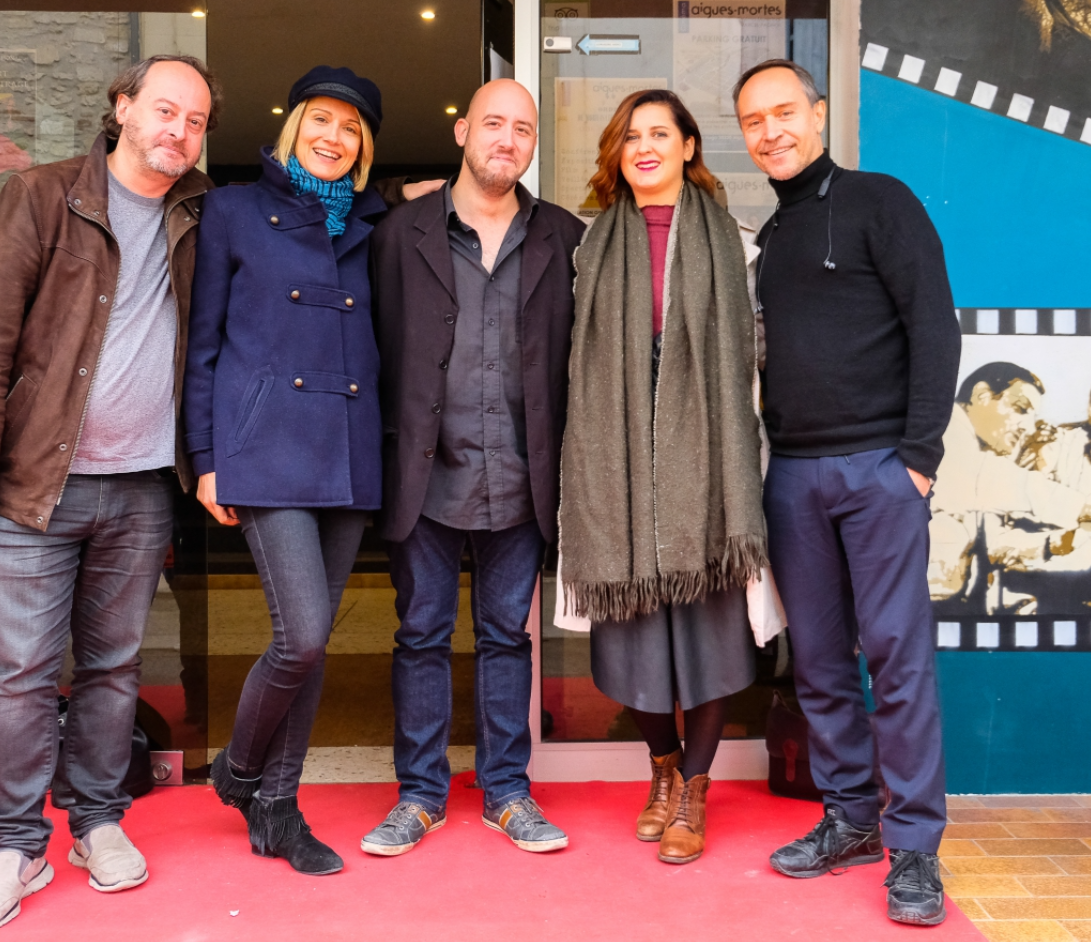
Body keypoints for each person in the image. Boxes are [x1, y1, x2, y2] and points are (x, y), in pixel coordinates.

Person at [0, 55, 220, 930]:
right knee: (21, 676)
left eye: (196, 120)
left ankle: (98, 821)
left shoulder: (201, 211)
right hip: (31, 490)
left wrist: (403, 196)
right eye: (164, 109)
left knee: (113, 667)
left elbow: (299, 217)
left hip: (139, 489)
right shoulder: (42, 196)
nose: (178, 130)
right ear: (122, 107)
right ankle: (17, 846)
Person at [734, 59, 962, 926]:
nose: (771, 132)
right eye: (753, 121)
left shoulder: (879, 201)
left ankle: (915, 849)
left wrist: (918, 457)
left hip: (878, 471)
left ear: (818, 114)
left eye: (783, 112)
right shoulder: (769, 239)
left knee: (896, 661)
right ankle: (850, 820)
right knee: (821, 664)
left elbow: (933, 326)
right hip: (792, 475)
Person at [361, 79, 585, 856]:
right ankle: (419, 794)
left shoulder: (563, 236)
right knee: (420, 634)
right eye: (493, 123)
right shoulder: (399, 232)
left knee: (505, 638)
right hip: (423, 473)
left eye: (521, 129)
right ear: (462, 131)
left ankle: (507, 793)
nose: (506, 140)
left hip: (522, 475)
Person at [185, 66, 388, 877]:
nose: (333, 137)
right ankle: (239, 770)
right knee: (299, 634)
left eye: (351, 127)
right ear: (294, 124)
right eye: (321, 120)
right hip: (265, 447)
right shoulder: (232, 210)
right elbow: (201, 345)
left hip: (349, 448)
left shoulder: (373, 222)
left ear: (364, 147)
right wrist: (205, 460)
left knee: (312, 644)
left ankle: (276, 807)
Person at [557, 89, 766, 865]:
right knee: (633, 636)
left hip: (707, 465)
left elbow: (759, 357)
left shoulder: (738, 245)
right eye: (629, 137)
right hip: (615, 462)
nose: (643, 147)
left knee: (709, 636)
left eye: (658, 134)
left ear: (687, 146)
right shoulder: (586, 247)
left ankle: (695, 790)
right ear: (616, 155)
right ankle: (662, 768)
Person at [931, 364, 1091, 614]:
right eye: (1021, 409)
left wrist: (1056, 542)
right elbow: (993, 480)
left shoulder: (979, 462)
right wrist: (1081, 508)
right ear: (982, 395)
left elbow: (990, 542)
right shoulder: (945, 431)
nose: (1028, 427)